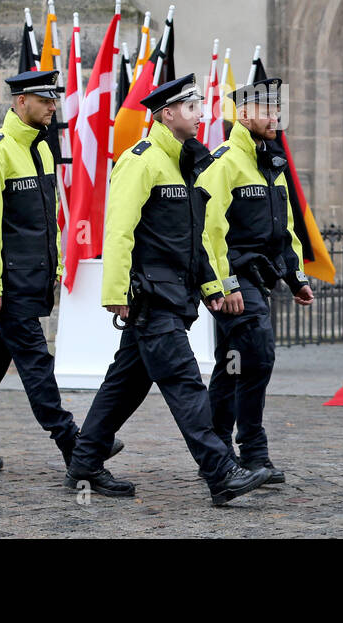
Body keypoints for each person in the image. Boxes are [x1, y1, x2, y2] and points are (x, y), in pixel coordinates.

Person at [64, 74, 273, 506]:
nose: (201, 116)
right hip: (151, 297)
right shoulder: (141, 160)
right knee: (184, 383)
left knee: (125, 385)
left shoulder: (186, 162)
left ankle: (85, 461)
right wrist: (115, 292)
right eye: (192, 108)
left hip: (175, 294)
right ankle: (221, 471)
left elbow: (198, 236)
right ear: (166, 114)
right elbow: (118, 231)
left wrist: (212, 285)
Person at [0, 70, 123, 470]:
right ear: (20, 102)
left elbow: (52, 219)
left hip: (33, 278)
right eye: (44, 100)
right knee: (36, 364)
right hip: (11, 284)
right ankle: (73, 444)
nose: (53, 106)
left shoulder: (42, 150)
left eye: (54, 99)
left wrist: (57, 265)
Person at [197, 77, 313, 483]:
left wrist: (295, 276)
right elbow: (208, 230)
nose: (275, 116)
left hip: (260, 277)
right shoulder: (224, 161)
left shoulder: (271, 162)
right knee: (258, 354)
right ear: (243, 115)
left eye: (277, 109)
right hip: (233, 275)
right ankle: (253, 451)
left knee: (233, 364)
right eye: (266, 110)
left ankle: (215, 450)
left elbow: (286, 229)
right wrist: (223, 284)